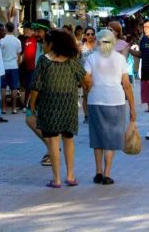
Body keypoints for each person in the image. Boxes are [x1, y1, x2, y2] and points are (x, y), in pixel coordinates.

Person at [30, 29, 90, 188]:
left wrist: (32, 104)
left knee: (52, 141)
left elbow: (36, 86)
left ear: (52, 44)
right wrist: (86, 88)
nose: (43, 45)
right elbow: (86, 79)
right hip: (68, 104)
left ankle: (56, 179)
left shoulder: (44, 60)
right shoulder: (73, 60)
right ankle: (70, 176)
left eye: (45, 42)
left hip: (49, 105)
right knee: (68, 139)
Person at [85, 30, 135, 184]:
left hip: (95, 100)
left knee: (98, 137)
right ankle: (107, 174)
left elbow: (86, 80)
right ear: (113, 42)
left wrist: (91, 88)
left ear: (98, 42)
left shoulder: (91, 58)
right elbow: (126, 85)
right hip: (116, 100)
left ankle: (98, 172)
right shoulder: (120, 59)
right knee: (111, 137)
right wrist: (132, 108)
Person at [1, 22, 22, 114]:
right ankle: (14, 108)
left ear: (5, 29)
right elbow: (19, 56)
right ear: (13, 29)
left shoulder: (2, 41)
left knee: (3, 87)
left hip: (3, 66)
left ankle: (4, 108)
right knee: (14, 88)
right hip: (14, 66)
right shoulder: (17, 41)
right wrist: (17, 66)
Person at [19, 22, 38, 110]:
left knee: (31, 86)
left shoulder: (35, 38)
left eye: (25, 29)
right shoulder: (27, 39)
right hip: (27, 67)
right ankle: (27, 104)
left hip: (34, 67)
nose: (24, 31)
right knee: (28, 86)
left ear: (30, 29)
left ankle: (31, 105)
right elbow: (24, 54)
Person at [80, 26, 97, 123]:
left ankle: (94, 114)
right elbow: (78, 61)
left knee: (95, 95)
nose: (90, 36)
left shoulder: (98, 46)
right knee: (86, 95)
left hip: (96, 75)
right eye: (88, 34)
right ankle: (87, 116)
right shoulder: (81, 47)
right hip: (85, 75)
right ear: (85, 36)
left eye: (92, 34)